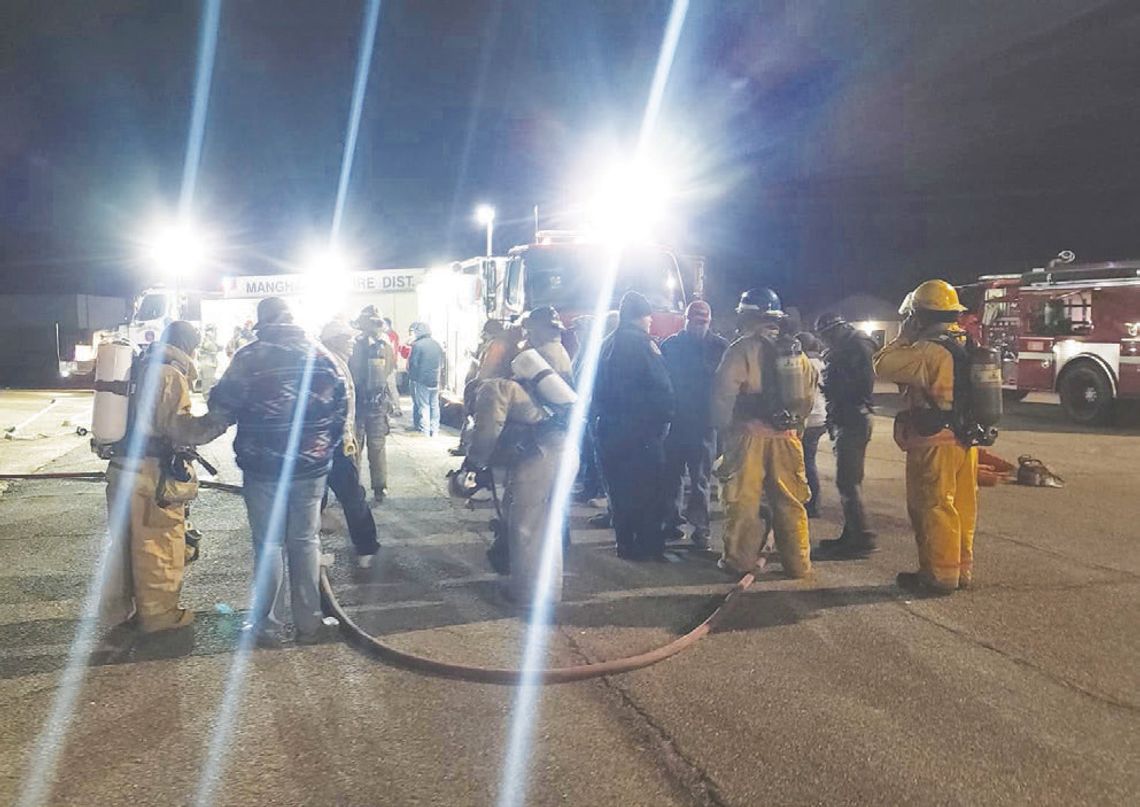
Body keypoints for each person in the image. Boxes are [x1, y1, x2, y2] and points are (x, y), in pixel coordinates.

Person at [208, 297, 347, 644]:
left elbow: (222, 403)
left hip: (263, 467)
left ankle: (267, 626)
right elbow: (341, 411)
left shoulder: (250, 357)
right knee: (305, 542)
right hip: (311, 468)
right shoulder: (323, 357)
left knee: (268, 544)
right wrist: (322, 451)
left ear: (262, 323)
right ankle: (310, 624)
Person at [102, 321, 229, 632]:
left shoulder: (140, 365)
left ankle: (122, 611)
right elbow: (179, 427)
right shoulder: (169, 374)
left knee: (125, 545)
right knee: (158, 544)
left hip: (120, 468)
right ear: (191, 346)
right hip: (150, 475)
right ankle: (160, 617)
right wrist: (218, 421)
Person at [873, 280, 978, 596]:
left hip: (935, 442)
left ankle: (938, 576)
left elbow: (882, 364)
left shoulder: (928, 351)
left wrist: (903, 335)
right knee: (960, 506)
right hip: (965, 440)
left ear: (918, 315)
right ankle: (960, 571)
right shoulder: (964, 345)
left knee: (932, 506)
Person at [711, 287, 816, 578]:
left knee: (743, 500)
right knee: (790, 502)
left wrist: (724, 427)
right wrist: (794, 430)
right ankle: (798, 564)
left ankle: (738, 560)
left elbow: (723, 393)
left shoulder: (742, 348)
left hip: (749, 437)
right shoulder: (797, 353)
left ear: (747, 315)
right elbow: (807, 399)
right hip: (787, 438)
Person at [465, 334, 576, 605]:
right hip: (565, 452)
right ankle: (550, 590)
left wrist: (473, 463)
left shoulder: (494, 388)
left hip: (538, 457)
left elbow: (487, 432)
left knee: (526, 527)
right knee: (546, 524)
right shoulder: (525, 384)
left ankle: (528, 594)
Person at [594, 291, 675, 560]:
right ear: (643, 317)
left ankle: (625, 544)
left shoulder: (606, 344)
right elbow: (662, 388)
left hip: (609, 429)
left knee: (619, 491)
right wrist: (665, 420)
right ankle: (649, 546)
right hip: (642, 433)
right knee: (648, 491)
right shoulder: (644, 345)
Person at [660, 300, 728, 549]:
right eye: (694, 320)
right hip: (676, 421)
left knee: (700, 478)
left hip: (704, 424)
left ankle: (701, 527)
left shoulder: (720, 347)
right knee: (672, 476)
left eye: (703, 321)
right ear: (686, 319)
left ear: (709, 321)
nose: (698, 325)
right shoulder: (672, 345)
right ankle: (671, 522)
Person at [812, 313, 878, 558]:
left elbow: (859, 385)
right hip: (847, 417)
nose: (826, 341)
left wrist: (833, 384)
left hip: (854, 417)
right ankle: (851, 534)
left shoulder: (856, 346)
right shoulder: (847, 347)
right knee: (848, 480)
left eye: (827, 336)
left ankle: (862, 537)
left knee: (848, 481)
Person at [320, 319, 380, 566]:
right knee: (352, 495)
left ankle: (313, 550)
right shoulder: (333, 365)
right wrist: (347, 439)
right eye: (348, 339)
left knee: (315, 500)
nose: (353, 343)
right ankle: (366, 547)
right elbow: (340, 409)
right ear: (335, 341)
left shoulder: (330, 361)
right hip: (333, 445)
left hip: (319, 444)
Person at [349, 306, 399, 502]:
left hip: (374, 405)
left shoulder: (379, 346)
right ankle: (357, 486)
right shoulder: (369, 345)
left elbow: (388, 374)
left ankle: (378, 486)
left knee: (374, 446)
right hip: (363, 404)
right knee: (357, 447)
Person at [452, 319, 513, 456]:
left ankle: (471, 450)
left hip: (487, 388)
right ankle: (467, 447)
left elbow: (488, 367)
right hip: (491, 387)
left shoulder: (496, 345)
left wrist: (477, 383)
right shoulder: (500, 344)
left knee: (477, 420)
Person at [796, 331, 827, 519]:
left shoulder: (803, 364)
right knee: (809, 460)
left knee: (805, 461)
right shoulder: (822, 363)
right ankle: (812, 502)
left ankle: (811, 503)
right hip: (820, 417)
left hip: (808, 418)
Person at [407, 321, 444, 436]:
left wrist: (412, 378)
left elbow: (414, 363)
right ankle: (435, 430)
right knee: (434, 405)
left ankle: (425, 430)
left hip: (421, 380)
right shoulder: (436, 344)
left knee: (423, 406)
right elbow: (442, 363)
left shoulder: (417, 345)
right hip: (435, 379)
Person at [198, 324, 220, 394]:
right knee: (207, 385)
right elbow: (211, 347)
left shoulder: (209, 339)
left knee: (209, 383)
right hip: (207, 364)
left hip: (209, 364)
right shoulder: (208, 338)